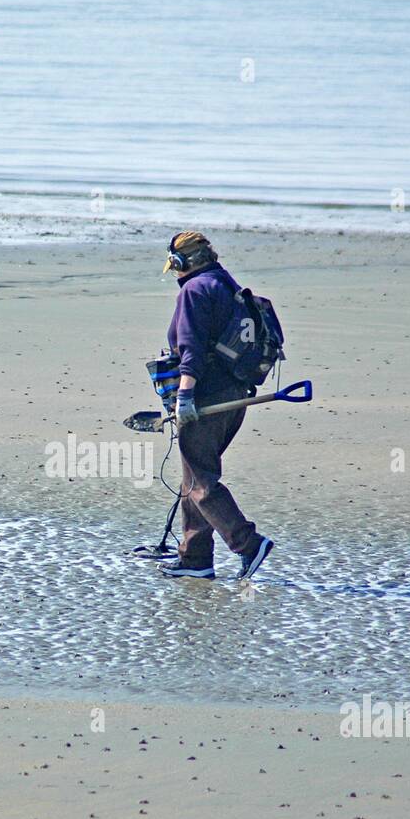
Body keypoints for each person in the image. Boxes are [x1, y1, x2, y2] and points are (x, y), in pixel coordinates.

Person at [160, 230, 274, 581]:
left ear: (185, 263)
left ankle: (249, 543)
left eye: (175, 265)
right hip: (236, 397)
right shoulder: (224, 283)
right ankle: (195, 559)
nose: (174, 274)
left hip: (207, 398)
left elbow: (191, 349)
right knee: (192, 478)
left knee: (201, 483)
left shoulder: (195, 290)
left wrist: (184, 396)